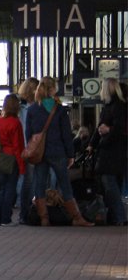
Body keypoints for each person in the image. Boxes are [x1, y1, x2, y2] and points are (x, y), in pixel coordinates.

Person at [26, 77, 92, 226]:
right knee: (64, 184)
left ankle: (44, 218)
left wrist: (33, 149)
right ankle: (76, 217)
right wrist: (70, 154)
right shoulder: (60, 110)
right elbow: (66, 134)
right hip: (57, 152)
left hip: (40, 153)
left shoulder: (32, 110)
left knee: (40, 185)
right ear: (52, 89)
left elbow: (29, 133)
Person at [87, 78, 127, 226]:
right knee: (114, 183)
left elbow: (116, 128)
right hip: (118, 152)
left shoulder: (115, 107)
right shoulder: (116, 106)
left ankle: (119, 216)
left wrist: (104, 132)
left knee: (109, 184)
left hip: (111, 152)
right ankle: (115, 216)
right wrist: (92, 143)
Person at [0, 94, 25, 225]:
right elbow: (18, 146)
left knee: (3, 188)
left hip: (0, 157)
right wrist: (22, 166)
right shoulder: (16, 123)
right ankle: (5, 218)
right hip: (12, 158)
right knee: (10, 188)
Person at [16, 77, 39, 224]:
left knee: (26, 181)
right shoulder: (33, 109)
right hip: (31, 149)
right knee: (31, 182)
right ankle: (29, 213)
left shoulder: (19, 109)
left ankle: (26, 212)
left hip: (23, 149)